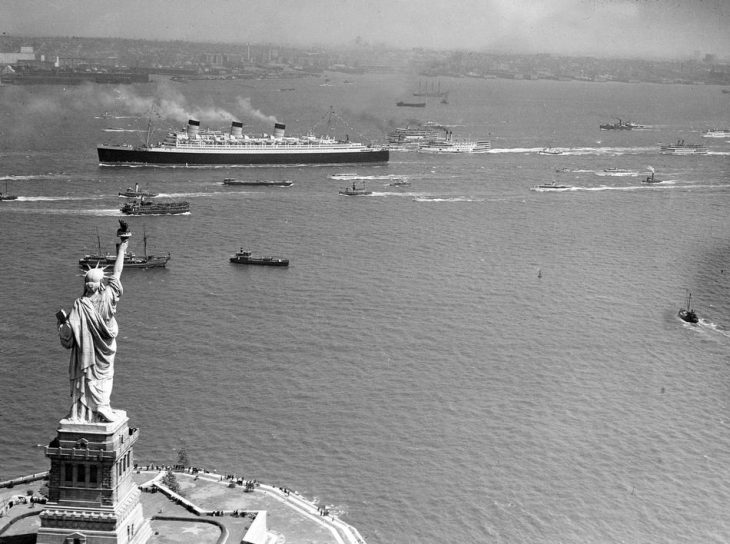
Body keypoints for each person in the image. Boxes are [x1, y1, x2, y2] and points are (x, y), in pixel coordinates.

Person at [59, 225, 130, 422]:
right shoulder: (108, 296)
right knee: (105, 377)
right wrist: (122, 249)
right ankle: (101, 407)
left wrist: (62, 325)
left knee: (86, 376)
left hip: (86, 355)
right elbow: (117, 273)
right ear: (101, 284)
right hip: (105, 349)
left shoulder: (80, 305)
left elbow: (68, 335)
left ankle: (81, 411)